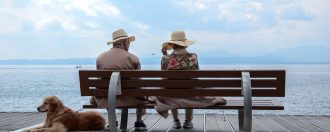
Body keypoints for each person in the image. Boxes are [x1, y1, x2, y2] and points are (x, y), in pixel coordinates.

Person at [155, 30, 226, 129]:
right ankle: (188, 121)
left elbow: (164, 76)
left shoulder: (165, 58)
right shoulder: (193, 57)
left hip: (172, 95)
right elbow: (196, 75)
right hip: (190, 93)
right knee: (191, 88)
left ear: (172, 45)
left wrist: (165, 55)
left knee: (169, 90)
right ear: (185, 44)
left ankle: (176, 121)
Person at [90, 29, 147, 131]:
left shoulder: (100, 58)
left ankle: (112, 121)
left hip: (106, 97)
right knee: (141, 90)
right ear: (124, 42)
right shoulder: (133, 58)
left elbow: (99, 82)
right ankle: (139, 122)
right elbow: (139, 82)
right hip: (129, 98)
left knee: (107, 91)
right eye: (128, 42)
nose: (129, 44)